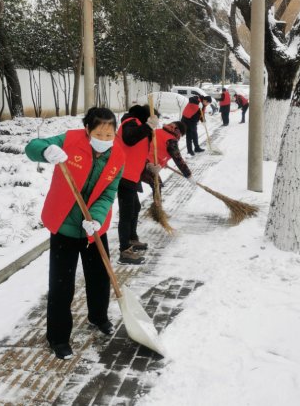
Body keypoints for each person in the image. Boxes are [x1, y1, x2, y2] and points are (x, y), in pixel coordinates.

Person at [25, 107, 125, 360]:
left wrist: (97, 219)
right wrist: (45, 151)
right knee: (61, 284)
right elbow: (32, 147)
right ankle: (58, 338)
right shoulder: (69, 141)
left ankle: (98, 317)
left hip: (93, 228)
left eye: (109, 134)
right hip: (65, 225)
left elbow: (108, 193)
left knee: (100, 277)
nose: (104, 139)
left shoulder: (118, 156)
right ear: (87, 130)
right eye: (99, 133)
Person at [117, 104, 159, 265]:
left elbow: (136, 150)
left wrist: (148, 165)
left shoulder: (139, 125)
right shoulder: (131, 122)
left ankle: (132, 239)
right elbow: (129, 139)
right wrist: (148, 126)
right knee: (126, 213)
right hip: (123, 174)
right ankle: (125, 251)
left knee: (135, 207)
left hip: (132, 175)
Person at [141, 121, 196, 191]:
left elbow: (158, 148)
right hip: (146, 165)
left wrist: (163, 163)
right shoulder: (171, 140)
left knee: (156, 185)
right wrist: (189, 175)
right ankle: (157, 201)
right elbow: (178, 159)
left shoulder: (157, 131)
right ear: (178, 132)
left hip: (138, 159)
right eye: (181, 135)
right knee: (157, 186)